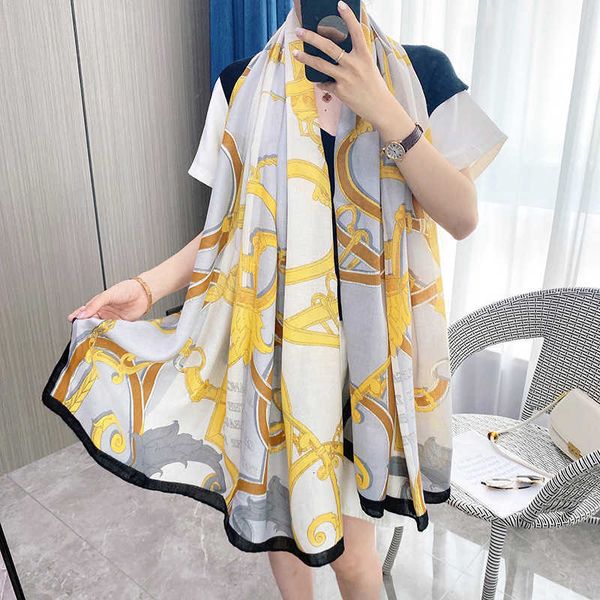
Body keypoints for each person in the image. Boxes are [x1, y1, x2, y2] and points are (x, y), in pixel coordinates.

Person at [56, 2, 507, 599]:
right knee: (279, 530)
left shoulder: (421, 74)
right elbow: (230, 230)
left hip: (368, 361)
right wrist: (146, 288)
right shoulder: (240, 85)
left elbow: (462, 216)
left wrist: (383, 108)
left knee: (352, 559)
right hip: (269, 345)